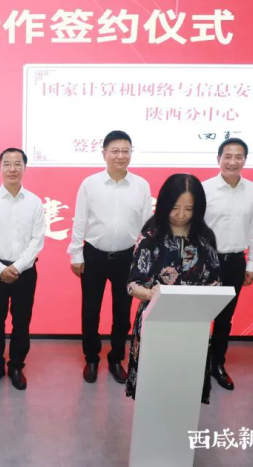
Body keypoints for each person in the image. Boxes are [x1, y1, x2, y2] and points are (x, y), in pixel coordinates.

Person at [125, 174, 222, 401]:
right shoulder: (151, 236)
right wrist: (151, 294)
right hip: (155, 320)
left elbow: (215, 280)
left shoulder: (205, 238)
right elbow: (132, 284)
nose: (181, 215)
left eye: (188, 209)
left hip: (193, 323)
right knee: (153, 389)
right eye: (175, 208)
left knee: (185, 390)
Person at [68, 130, 154, 384]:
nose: (120, 156)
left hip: (127, 258)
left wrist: (146, 259)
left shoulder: (141, 185)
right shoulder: (90, 184)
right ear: (104, 153)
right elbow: (80, 220)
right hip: (94, 255)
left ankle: (116, 358)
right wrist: (76, 254)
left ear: (131, 153)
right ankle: (91, 358)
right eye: (115, 151)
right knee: (90, 310)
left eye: (125, 151)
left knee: (122, 312)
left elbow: (147, 225)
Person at [0, 148, 45, 390]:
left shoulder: (35, 202)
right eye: (7, 164)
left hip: (24, 272)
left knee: (22, 321)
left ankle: (16, 365)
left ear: (25, 168)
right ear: (0, 168)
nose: (12, 169)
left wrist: (16, 267)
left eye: (17, 164)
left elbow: (37, 240)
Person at [203, 138, 253, 391]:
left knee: (224, 319)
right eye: (227, 156)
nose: (233, 162)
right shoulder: (204, 188)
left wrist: (252, 264)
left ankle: (217, 364)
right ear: (218, 159)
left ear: (245, 160)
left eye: (239, 157)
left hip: (235, 262)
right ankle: (196, 364)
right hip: (206, 263)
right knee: (199, 317)